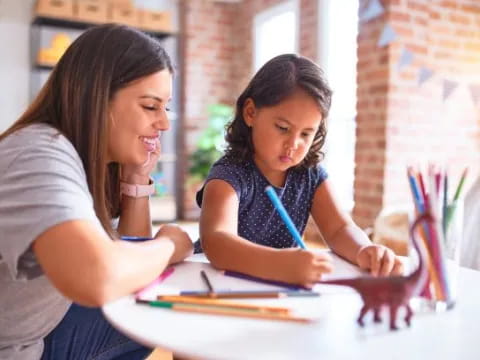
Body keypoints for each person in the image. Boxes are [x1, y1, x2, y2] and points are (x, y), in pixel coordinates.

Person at [0, 24, 193, 360]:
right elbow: (98, 276)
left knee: (153, 298)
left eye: (166, 107)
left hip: (39, 334)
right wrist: (169, 245)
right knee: (172, 307)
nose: (164, 122)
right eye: (150, 106)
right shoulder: (39, 152)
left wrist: (135, 176)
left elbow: (125, 273)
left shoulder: (80, 159)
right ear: (97, 98)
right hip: (16, 349)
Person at [196, 54, 403, 288]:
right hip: (219, 287)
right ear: (251, 112)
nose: (293, 144)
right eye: (283, 128)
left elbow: (340, 229)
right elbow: (217, 242)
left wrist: (364, 250)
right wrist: (280, 265)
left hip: (279, 291)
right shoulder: (228, 175)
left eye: (306, 134)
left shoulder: (309, 175)